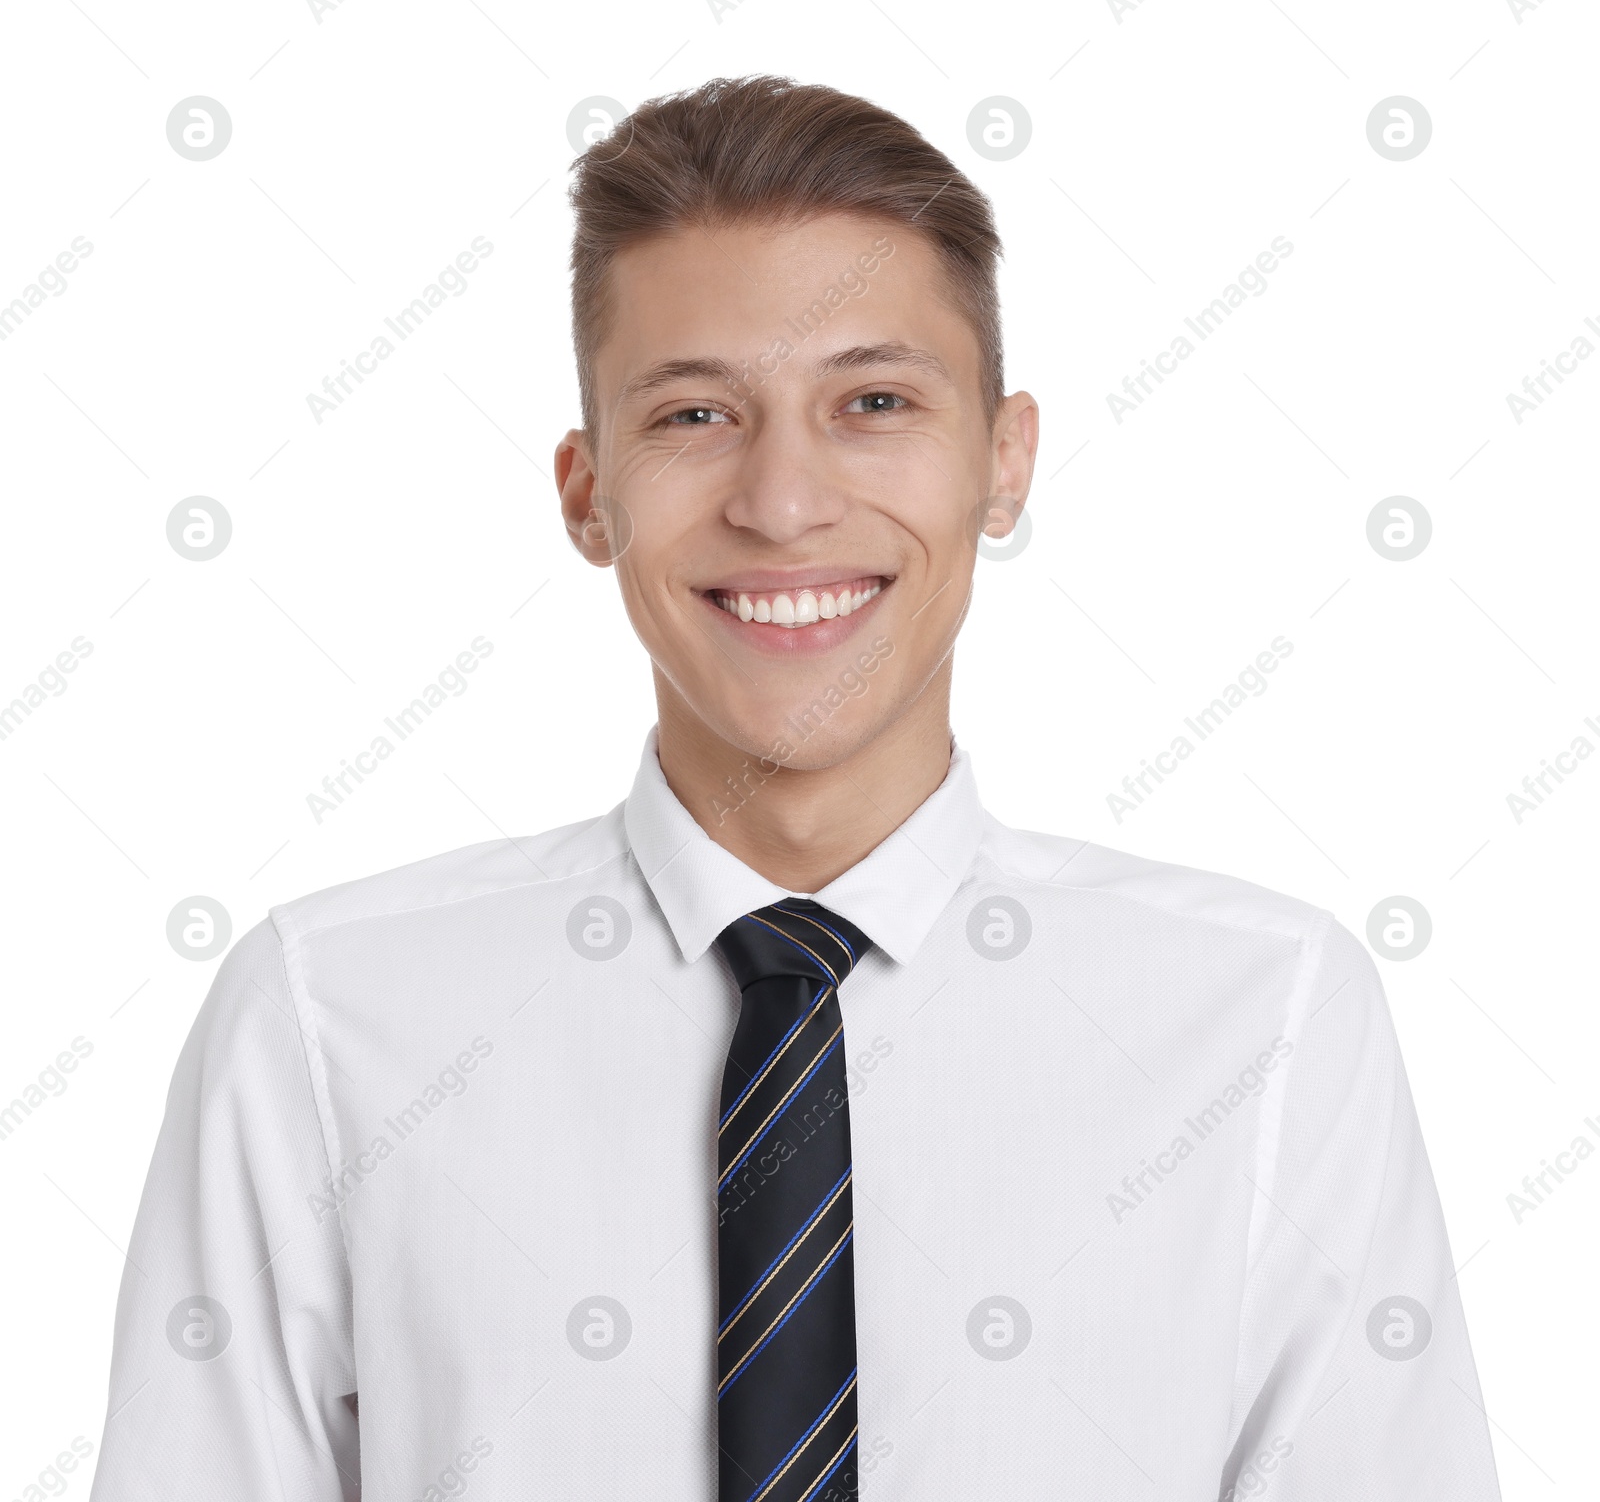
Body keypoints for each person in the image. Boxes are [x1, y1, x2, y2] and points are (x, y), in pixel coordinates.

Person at [88, 74, 1501, 1500]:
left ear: (1002, 461)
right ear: (589, 491)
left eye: (873, 401)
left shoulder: (1267, 1020)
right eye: (697, 414)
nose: (782, 500)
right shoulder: (329, 1019)